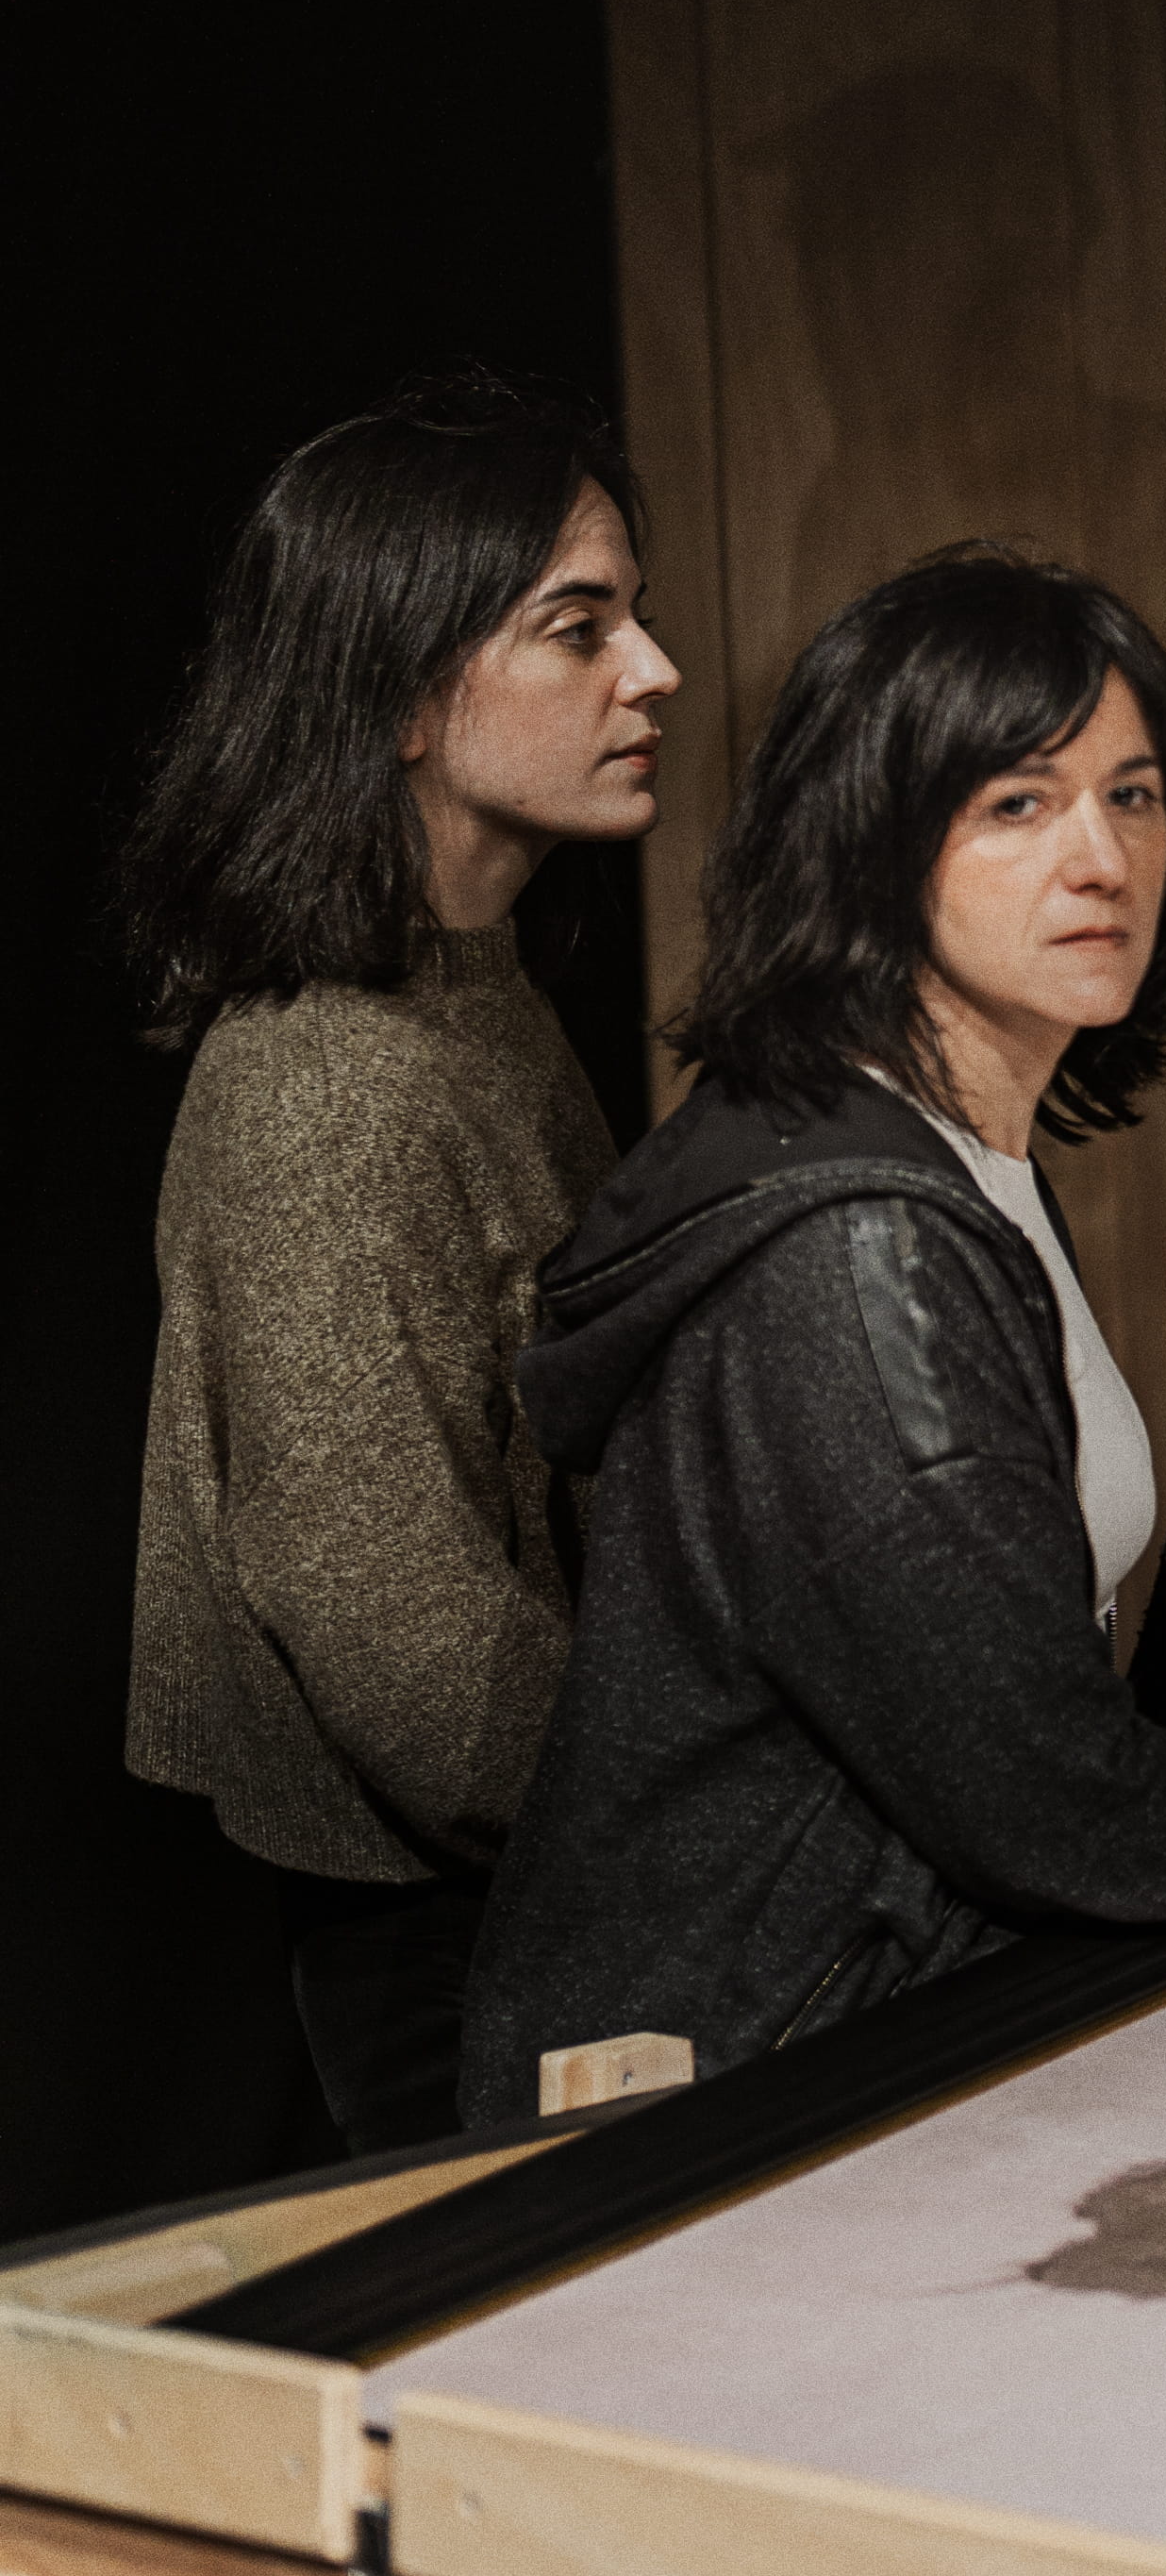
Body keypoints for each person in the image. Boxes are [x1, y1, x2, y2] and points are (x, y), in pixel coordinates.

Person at [462, 550, 1166, 2121]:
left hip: (885, 2004)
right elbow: (1062, 1809)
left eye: (1134, 796)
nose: (1102, 857)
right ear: (871, 841)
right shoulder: (865, 1257)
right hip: (732, 2090)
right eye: (1018, 803)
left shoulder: (946, 1143)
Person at [114, 376, 678, 2150]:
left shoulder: (468, 993)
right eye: (578, 628)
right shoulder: (326, 1081)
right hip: (463, 1935)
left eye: (633, 615)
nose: (653, 669)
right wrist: (710, 1821)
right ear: (404, 692)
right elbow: (394, 1630)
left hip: (552, 1884)